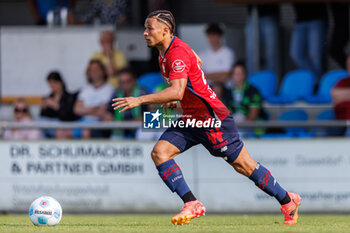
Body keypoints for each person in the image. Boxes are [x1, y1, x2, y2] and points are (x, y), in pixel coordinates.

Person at [112, 10, 301, 226]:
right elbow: (197, 62)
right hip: (192, 118)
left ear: (165, 31)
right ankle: (191, 203)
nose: (145, 33)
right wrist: (179, 95)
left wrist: (143, 99)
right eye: (145, 28)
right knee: (159, 153)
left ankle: (287, 201)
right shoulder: (165, 50)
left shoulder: (176, 52)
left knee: (244, 166)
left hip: (213, 119)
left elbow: (180, 84)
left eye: (149, 28)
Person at [74, 60, 115, 138]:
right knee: (61, 132)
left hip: (98, 122)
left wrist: (85, 110)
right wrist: (94, 109)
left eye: (96, 69)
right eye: (91, 70)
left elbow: (102, 112)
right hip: (83, 121)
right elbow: (76, 109)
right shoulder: (85, 89)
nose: (93, 72)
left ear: (103, 71)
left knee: (86, 131)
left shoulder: (110, 89)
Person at [104, 68, 148, 139]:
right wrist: (108, 117)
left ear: (134, 80)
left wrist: (128, 123)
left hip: (139, 129)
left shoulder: (143, 93)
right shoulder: (116, 93)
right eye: (122, 82)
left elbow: (152, 116)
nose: (125, 85)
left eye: (128, 81)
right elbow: (107, 113)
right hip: (119, 129)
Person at [289, 3, 328, 84]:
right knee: (296, 54)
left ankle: (317, 85)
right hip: (300, 19)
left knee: (315, 56)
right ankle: (317, 81)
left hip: (317, 16)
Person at [40, 71, 79, 138]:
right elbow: (43, 117)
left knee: (60, 131)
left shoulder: (69, 97)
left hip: (64, 125)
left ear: (61, 83)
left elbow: (70, 117)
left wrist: (57, 106)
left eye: (54, 82)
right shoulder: (48, 97)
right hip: (50, 125)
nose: (52, 85)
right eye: (50, 83)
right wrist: (44, 108)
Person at [245, 4, 279, 76]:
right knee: (251, 55)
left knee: (271, 55)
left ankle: (271, 83)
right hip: (252, 14)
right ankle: (252, 83)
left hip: (270, 14)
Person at [331, 55, 350, 135]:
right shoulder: (343, 81)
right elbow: (334, 92)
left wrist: (341, 97)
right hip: (339, 120)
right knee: (321, 132)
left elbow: (338, 95)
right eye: (349, 65)